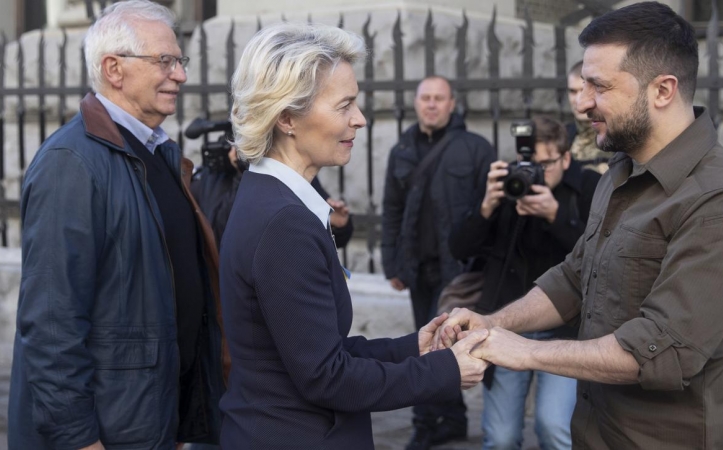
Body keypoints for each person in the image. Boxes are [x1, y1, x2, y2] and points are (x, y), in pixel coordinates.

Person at [436, 2, 723, 449]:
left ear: (662, 90)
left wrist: (525, 352)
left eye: (598, 86)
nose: (582, 103)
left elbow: (659, 350)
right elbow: (575, 279)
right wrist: (492, 323)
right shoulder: (619, 173)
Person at [219, 23, 489, 449]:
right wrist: (446, 371)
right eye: (344, 105)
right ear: (287, 117)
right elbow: (327, 378)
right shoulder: (283, 223)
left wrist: (411, 348)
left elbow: (316, 350)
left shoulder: (272, 199)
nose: (359, 120)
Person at [8, 1, 227, 449]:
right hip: (106, 433)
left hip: (151, 420)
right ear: (114, 69)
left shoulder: (158, 153)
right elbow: (51, 325)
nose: (180, 74)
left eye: (179, 60)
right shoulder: (70, 163)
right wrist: (79, 439)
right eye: (164, 61)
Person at [449, 115, 600, 450]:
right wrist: (488, 204)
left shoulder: (587, 187)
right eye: (529, 163)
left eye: (546, 164)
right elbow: (459, 248)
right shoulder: (507, 186)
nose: (536, 173)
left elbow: (598, 256)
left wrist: (554, 215)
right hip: (507, 323)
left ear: (565, 158)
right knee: (500, 437)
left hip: (565, 328)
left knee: (554, 428)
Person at [381, 75, 495, 449]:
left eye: (439, 98)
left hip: (457, 273)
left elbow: (490, 214)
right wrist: (392, 263)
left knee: (442, 349)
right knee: (425, 346)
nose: (431, 104)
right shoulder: (402, 149)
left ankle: (431, 423)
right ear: (416, 102)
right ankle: (443, 421)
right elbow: (392, 210)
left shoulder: (476, 148)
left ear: (452, 104)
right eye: (425, 97)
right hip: (417, 269)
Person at [191, 146, 353, 247]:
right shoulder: (214, 176)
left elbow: (323, 236)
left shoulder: (293, 170)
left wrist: (336, 225)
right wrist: (243, 173)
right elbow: (220, 237)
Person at [566, 61, 608, 174]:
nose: (578, 99)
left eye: (583, 90)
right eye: (572, 91)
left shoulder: (615, 137)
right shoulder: (561, 136)